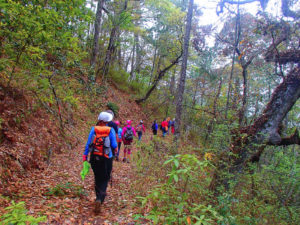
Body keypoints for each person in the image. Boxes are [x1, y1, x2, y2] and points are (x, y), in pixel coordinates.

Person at [83, 111, 117, 213]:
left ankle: (98, 196)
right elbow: (114, 145)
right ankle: (100, 199)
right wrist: (115, 151)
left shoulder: (94, 129)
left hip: (94, 157)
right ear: (107, 121)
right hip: (107, 158)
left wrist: (85, 156)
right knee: (105, 177)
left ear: (99, 120)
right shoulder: (110, 130)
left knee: (97, 177)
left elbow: (88, 143)